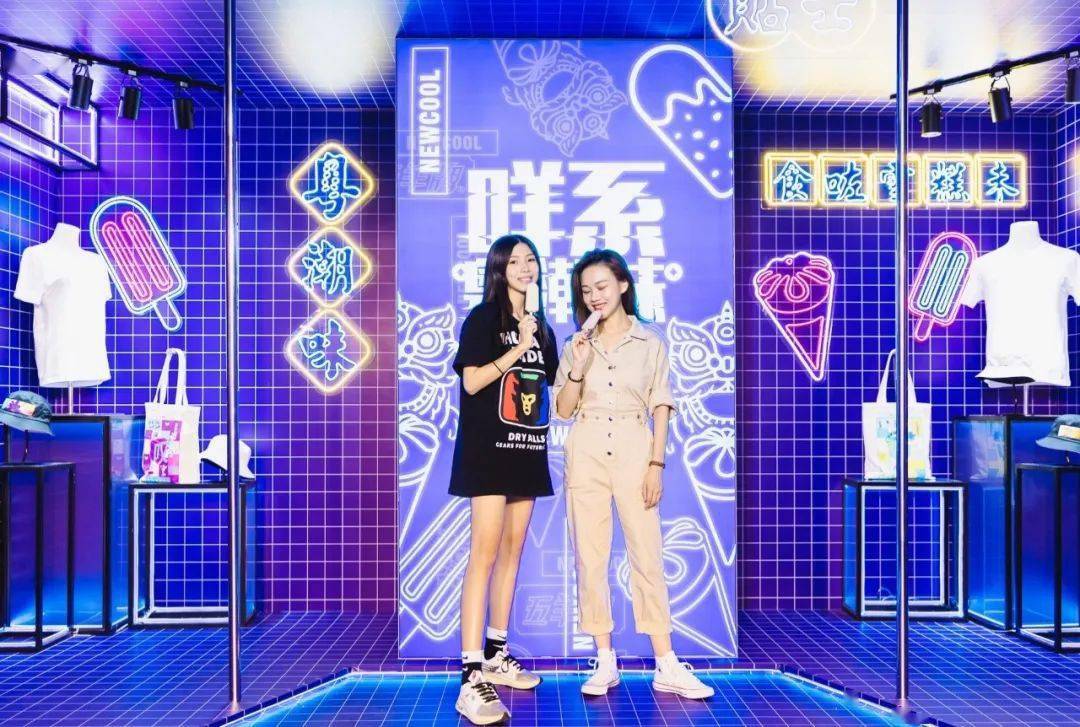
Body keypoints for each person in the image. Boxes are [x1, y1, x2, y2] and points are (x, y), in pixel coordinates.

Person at [552, 249, 714, 700]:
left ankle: (666, 662)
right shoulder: (575, 345)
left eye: (602, 286)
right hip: (586, 448)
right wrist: (577, 368)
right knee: (590, 557)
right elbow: (562, 410)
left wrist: (656, 464)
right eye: (586, 290)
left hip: (633, 446)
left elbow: (661, 404)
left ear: (623, 285)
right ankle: (604, 659)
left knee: (647, 555)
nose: (594, 296)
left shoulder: (650, 342)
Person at [450, 234, 559, 725]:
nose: (524, 267)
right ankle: (470, 676)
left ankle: (497, 654)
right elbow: (472, 381)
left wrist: (569, 350)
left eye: (530, 259)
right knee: (485, 555)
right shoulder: (483, 319)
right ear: (498, 269)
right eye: (514, 261)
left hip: (527, 451)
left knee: (512, 554)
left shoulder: (542, 328)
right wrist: (519, 348)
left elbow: (550, 385)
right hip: (488, 453)